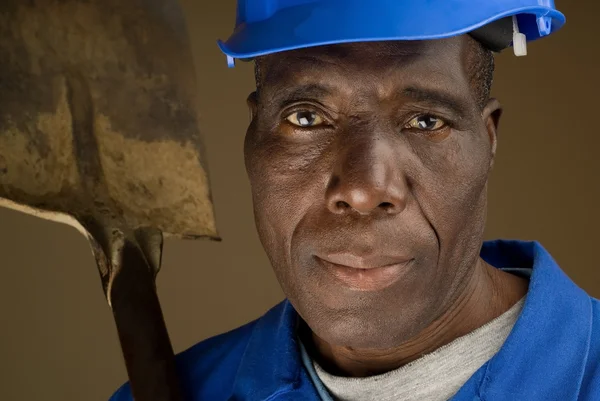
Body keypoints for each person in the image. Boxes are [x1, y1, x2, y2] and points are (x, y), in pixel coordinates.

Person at [111, 1, 600, 400]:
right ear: (253, 136)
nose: (363, 190)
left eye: (426, 121)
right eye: (306, 118)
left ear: (488, 141)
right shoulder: (184, 390)